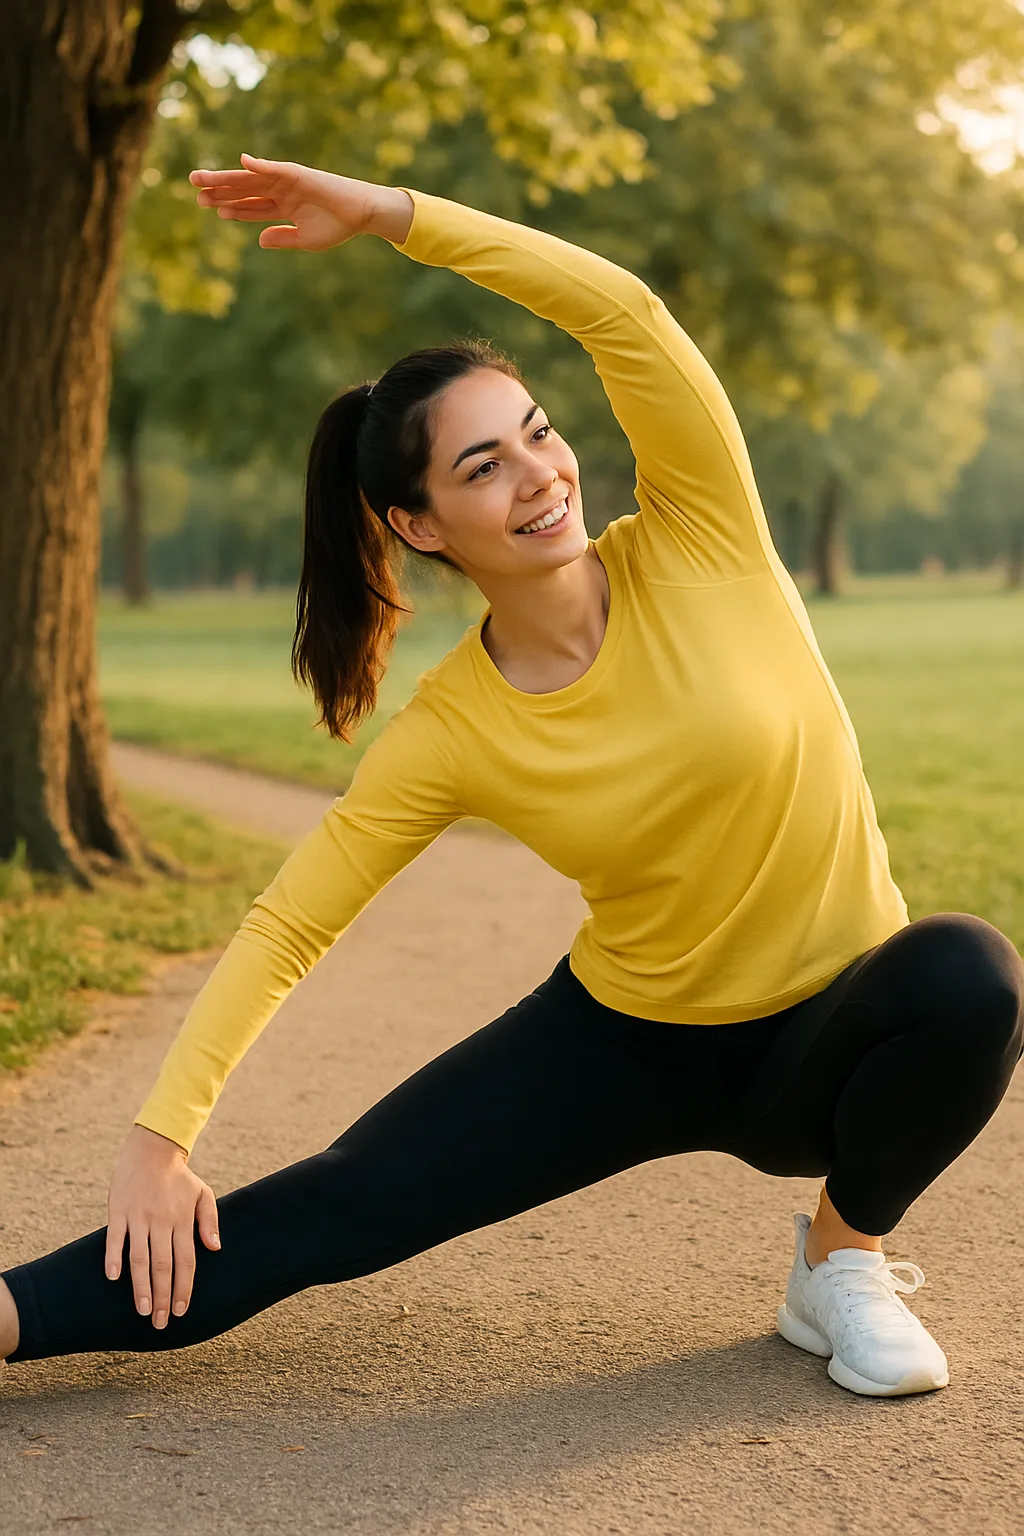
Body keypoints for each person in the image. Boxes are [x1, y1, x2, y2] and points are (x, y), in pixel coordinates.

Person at [2, 157, 1021, 1400]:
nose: (538, 475)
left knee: (966, 974)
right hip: (627, 1041)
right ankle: (9, 1314)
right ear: (419, 525)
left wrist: (393, 217)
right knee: (341, 1204)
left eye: (537, 434)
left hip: (828, 1035)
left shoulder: (704, 533)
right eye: (481, 466)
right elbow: (288, 927)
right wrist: (158, 1143)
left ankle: (839, 1259)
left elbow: (622, 312)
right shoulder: (452, 727)